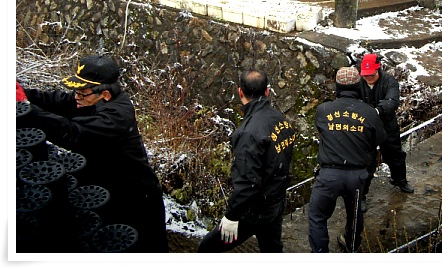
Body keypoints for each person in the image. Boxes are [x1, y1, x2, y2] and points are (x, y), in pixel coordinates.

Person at [17, 54, 168, 252]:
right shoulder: (90, 99)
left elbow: (72, 133)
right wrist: (24, 94)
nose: (76, 97)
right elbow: (59, 101)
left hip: (134, 198)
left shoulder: (117, 117)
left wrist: (29, 110)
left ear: (104, 94)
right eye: (76, 92)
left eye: (82, 94)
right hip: (105, 187)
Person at [198, 69, 295, 253]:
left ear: (240, 92)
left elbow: (247, 181)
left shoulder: (248, 133)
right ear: (267, 91)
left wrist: (232, 216)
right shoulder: (280, 119)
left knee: (207, 248)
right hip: (277, 198)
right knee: (272, 249)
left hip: (256, 207)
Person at [308, 66, 387, 253]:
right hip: (357, 174)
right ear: (358, 86)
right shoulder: (369, 112)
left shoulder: (323, 110)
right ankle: (351, 246)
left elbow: (322, 129)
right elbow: (380, 138)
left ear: (337, 87)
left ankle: (320, 254)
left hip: (329, 174)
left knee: (317, 216)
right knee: (354, 213)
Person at [359, 53, 414, 202]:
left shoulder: (389, 82)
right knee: (366, 160)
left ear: (378, 70)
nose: (368, 78)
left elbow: (392, 100)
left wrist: (378, 110)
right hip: (366, 127)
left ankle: (399, 180)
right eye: (365, 75)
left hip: (386, 124)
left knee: (395, 154)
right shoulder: (359, 83)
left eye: (371, 75)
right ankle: (361, 195)